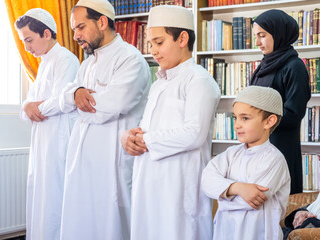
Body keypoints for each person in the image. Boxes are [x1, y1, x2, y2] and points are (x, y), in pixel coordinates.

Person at [121, 5, 220, 240]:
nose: (153, 51)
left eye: (159, 42)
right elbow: (147, 129)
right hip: (150, 181)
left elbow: (194, 133)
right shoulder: (159, 84)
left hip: (179, 185)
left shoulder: (199, 80)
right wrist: (129, 137)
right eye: (151, 44)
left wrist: (145, 139)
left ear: (182, 38)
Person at [58, 0, 150, 239]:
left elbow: (110, 106)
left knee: (113, 227)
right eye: (74, 30)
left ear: (101, 22)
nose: (76, 36)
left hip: (112, 161)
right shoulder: (87, 64)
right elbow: (64, 98)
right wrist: (76, 94)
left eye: (80, 27)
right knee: (81, 221)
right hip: (82, 160)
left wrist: (76, 100)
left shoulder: (131, 59)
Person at [15, 8, 80, 240]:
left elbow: (62, 101)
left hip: (58, 139)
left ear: (46, 33)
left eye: (29, 40)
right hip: (42, 139)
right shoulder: (43, 64)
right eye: (24, 42)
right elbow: (28, 106)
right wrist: (27, 107)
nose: (27, 47)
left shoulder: (66, 60)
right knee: (40, 194)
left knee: (55, 197)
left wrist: (33, 107)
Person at [201, 86, 291, 240]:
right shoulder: (231, 153)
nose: (236, 125)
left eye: (245, 118)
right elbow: (206, 180)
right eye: (235, 117)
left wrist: (221, 195)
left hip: (258, 234)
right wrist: (236, 187)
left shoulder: (274, 159)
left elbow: (251, 202)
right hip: (225, 232)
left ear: (269, 121)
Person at [250, 9, 311, 194]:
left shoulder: (294, 66)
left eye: (262, 35)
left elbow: (294, 112)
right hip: (257, 144)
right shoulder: (263, 65)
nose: (257, 42)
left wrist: (260, 121)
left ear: (279, 33)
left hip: (281, 145)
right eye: (256, 36)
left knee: (280, 205)